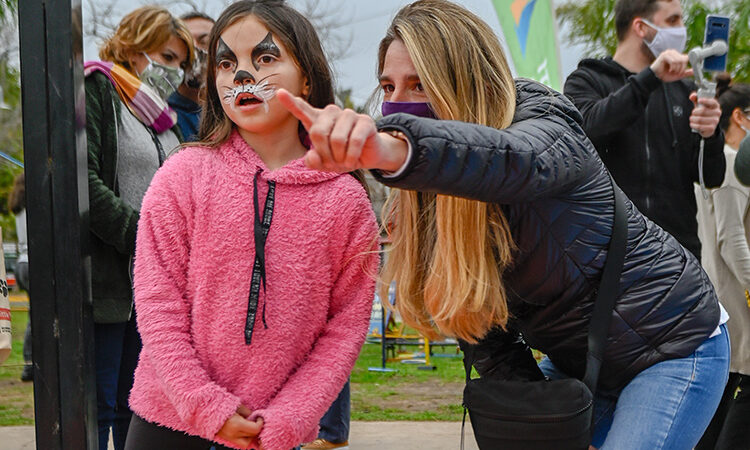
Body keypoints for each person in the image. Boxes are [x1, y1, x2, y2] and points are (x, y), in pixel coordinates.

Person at [276, 0, 730, 448]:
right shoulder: (424, 206)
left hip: (673, 344)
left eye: (420, 85)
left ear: (465, 83)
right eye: (388, 88)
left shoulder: (544, 122)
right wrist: (548, 419)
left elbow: (515, 162)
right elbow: (486, 340)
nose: (398, 106)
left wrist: (397, 151)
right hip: (582, 366)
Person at [124, 1, 378, 450]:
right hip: (168, 419)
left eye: (264, 58)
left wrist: (295, 416)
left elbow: (345, 328)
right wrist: (203, 404)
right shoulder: (182, 175)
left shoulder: (346, 201)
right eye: (226, 62)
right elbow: (157, 301)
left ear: (308, 75)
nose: (241, 76)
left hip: (270, 432)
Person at [85, 6, 193, 450]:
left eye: (182, 62)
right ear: (133, 46)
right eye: (167, 57)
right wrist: (147, 238)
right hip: (109, 280)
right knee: (100, 406)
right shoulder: (98, 88)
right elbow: (83, 184)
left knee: (139, 405)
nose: (177, 70)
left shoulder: (159, 115)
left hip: (154, 289)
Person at [564, 0, 725, 260]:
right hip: (608, 255)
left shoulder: (685, 92)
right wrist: (649, 79)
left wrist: (711, 135)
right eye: (672, 21)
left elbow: (711, 176)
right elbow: (587, 131)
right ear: (641, 26)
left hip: (679, 256)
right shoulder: (587, 80)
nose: (682, 30)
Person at [694, 74, 750, 450]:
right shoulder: (731, 164)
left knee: (723, 392)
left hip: (722, 296)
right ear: (739, 117)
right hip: (737, 297)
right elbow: (732, 240)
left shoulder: (714, 161)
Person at [168, 12, 215, 141]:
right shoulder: (161, 115)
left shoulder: (233, 113)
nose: (195, 50)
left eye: (204, 41)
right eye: (186, 42)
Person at [8, 173, 30, 382]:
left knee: (35, 312)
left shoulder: (18, 205)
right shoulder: (32, 202)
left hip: (21, 263)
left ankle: (29, 361)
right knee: (39, 315)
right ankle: (30, 362)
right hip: (33, 262)